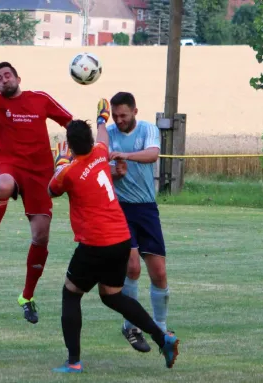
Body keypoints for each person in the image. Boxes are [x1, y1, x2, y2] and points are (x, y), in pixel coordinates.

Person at [47, 100, 178, 374]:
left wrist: (60, 162)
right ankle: (162, 337)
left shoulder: (70, 172)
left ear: (70, 146)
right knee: (111, 295)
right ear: (91, 141)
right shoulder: (99, 153)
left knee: (70, 294)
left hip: (95, 243)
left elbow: (52, 189)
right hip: (120, 239)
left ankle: (73, 362)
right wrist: (102, 119)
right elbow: (103, 136)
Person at [0, 32, 73, 324]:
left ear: (18, 78)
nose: (3, 79)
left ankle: (27, 296)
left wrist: (72, 149)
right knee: (4, 185)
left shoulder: (40, 99)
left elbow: (70, 122)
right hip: (10, 164)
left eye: (8, 75)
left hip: (40, 173)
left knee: (41, 236)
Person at [105, 91, 170, 353]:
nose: (119, 120)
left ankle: (161, 327)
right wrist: (116, 174)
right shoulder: (108, 134)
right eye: (115, 115)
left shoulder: (147, 129)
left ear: (135, 111)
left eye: (123, 115)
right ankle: (130, 325)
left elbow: (153, 155)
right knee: (132, 268)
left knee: (159, 273)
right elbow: (106, 171)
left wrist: (126, 157)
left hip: (146, 209)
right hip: (120, 210)